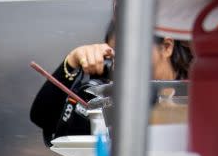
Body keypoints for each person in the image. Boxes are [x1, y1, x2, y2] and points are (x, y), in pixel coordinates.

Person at [30, 20, 193, 143]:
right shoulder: (110, 89)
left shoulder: (195, 90)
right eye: (117, 54)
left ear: (166, 47)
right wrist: (72, 62)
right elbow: (43, 118)